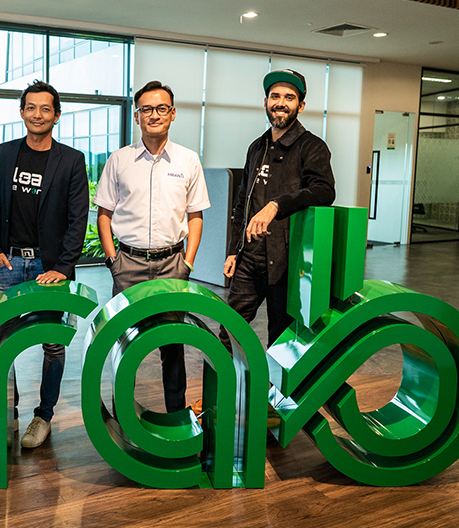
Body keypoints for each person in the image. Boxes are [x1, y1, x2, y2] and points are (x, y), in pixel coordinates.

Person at [94, 80, 210, 414]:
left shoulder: (188, 160)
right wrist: (113, 259)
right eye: (146, 109)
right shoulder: (119, 160)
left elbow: (196, 216)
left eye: (161, 108)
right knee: (125, 344)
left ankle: (177, 416)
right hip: (127, 266)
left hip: (172, 266)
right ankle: (122, 417)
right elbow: (104, 214)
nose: (154, 115)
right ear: (137, 116)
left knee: (172, 346)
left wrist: (186, 264)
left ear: (172, 114)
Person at [0, 80, 89, 449]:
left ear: (56, 115)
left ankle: (43, 416)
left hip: (49, 268)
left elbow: (79, 218)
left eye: (46, 109)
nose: (38, 114)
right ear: (22, 112)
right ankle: (7, 410)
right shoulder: (6, 151)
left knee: (52, 344)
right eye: (31, 107)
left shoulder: (72, 160)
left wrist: (63, 266)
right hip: (10, 263)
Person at [220, 69, 336, 351]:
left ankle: (274, 396)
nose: (280, 102)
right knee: (228, 331)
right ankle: (226, 395)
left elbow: (324, 191)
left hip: (285, 261)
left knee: (281, 339)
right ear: (265, 102)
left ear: (301, 105)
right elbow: (241, 204)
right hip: (249, 256)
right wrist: (234, 250)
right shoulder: (256, 147)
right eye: (275, 96)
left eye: (289, 97)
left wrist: (277, 204)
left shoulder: (312, 147)